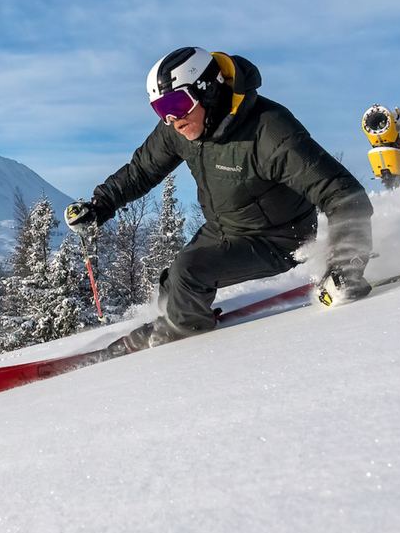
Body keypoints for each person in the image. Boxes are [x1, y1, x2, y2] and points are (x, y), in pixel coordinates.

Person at [65, 46, 375, 351]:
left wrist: (345, 266)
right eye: (161, 109)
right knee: (171, 284)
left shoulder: (269, 132)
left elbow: (343, 194)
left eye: (177, 103)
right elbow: (141, 171)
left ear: (208, 91)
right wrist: (99, 207)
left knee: (189, 272)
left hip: (277, 238)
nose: (172, 119)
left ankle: (178, 338)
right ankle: (174, 315)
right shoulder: (181, 127)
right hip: (223, 227)